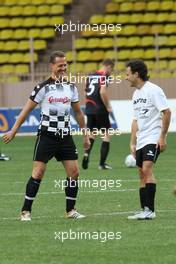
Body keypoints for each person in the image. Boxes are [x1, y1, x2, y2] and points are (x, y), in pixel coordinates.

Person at [3, 50, 90, 221]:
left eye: (65, 65)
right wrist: (13, 130)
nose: (63, 68)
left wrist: (85, 133)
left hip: (65, 136)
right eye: (60, 65)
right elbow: (25, 111)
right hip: (47, 136)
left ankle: (70, 210)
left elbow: (78, 112)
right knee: (38, 173)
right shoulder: (42, 88)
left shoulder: (71, 87)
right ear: (52, 66)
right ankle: (25, 211)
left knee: (74, 172)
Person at [125, 59, 171, 220]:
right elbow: (135, 120)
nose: (126, 77)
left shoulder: (154, 90)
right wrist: (132, 141)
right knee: (140, 173)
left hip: (153, 137)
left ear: (137, 74)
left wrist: (162, 137)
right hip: (141, 138)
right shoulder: (136, 94)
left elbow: (167, 112)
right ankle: (144, 209)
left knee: (146, 169)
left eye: (128, 74)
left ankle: (150, 211)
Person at [82, 58, 115, 170]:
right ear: (109, 66)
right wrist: (108, 106)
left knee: (92, 134)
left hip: (89, 108)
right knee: (106, 135)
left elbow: (85, 91)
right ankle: (102, 164)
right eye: (111, 69)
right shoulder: (105, 75)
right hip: (100, 108)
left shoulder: (90, 75)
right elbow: (102, 91)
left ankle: (86, 154)